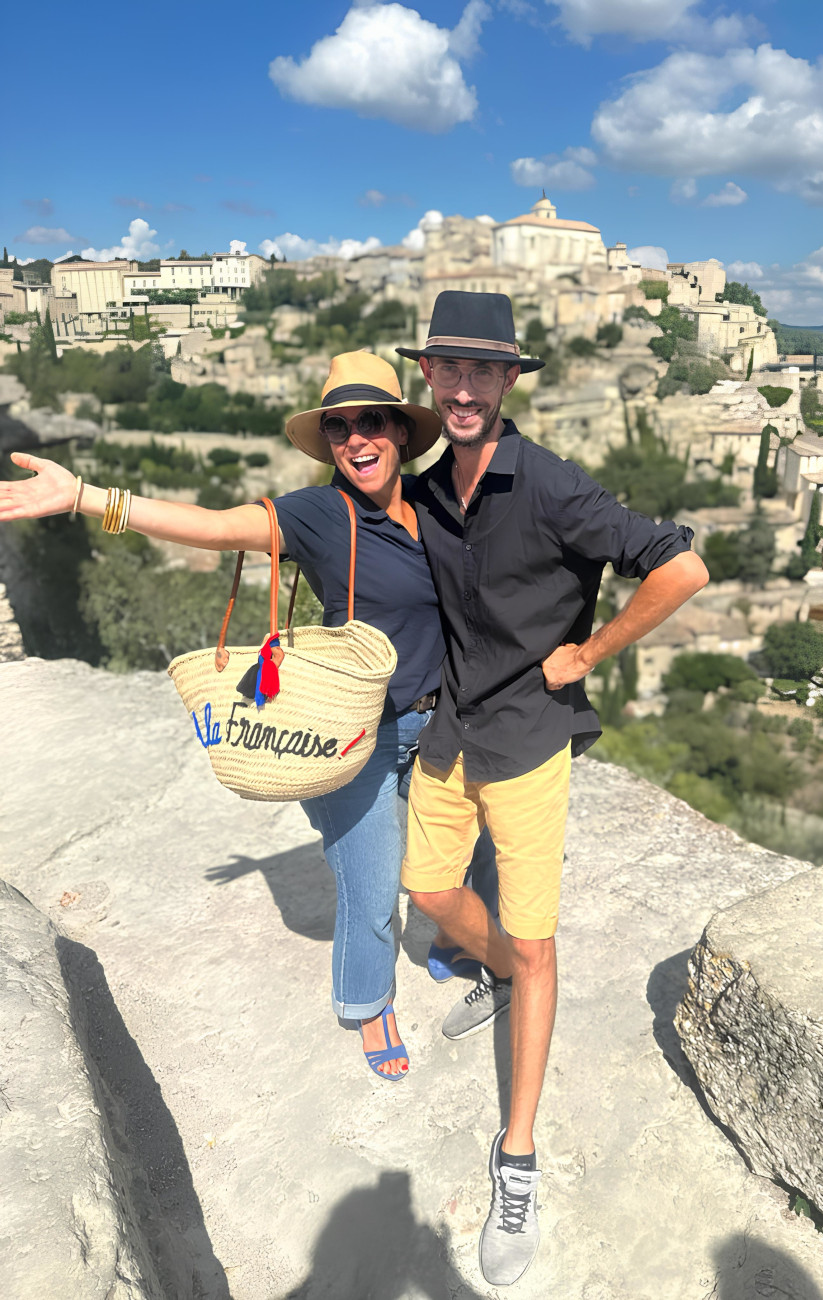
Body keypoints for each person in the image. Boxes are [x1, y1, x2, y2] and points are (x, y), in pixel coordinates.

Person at [0, 351, 495, 1081]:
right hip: (352, 731)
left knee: (457, 850)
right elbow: (211, 526)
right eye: (338, 428)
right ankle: (368, 1002)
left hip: (442, 723)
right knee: (372, 875)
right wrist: (86, 497)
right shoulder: (320, 514)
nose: (355, 439)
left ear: (400, 428)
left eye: (370, 422)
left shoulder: (436, 502)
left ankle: (464, 942)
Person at [394, 291, 710, 1285]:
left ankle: (518, 1155)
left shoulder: (552, 487)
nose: (464, 386)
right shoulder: (431, 486)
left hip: (529, 744)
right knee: (431, 893)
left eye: (484, 370)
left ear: (508, 381)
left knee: (535, 939)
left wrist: (593, 649)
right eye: (449, 367)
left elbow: (682, 567)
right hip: (453, 730)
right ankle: (503, 971)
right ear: (431, 377)